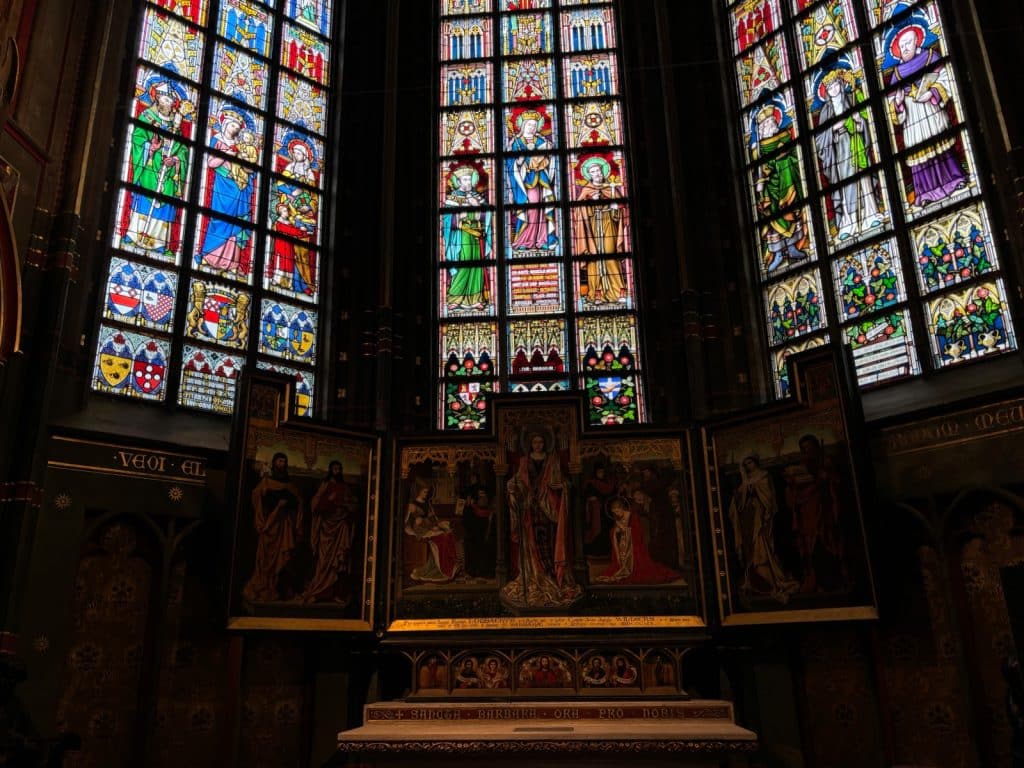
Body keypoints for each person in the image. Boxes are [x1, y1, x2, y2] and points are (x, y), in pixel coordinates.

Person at [887, 24, 966, 208]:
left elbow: (946, 79)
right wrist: (898, 103)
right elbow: (890, 103)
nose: (905, 47)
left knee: (941, 146)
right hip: (912, 119)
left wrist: (932, 94)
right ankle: (925, 192)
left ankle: (954, 180)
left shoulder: (931, 57)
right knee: (918, 154)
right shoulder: (897, 74)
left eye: (909, 43)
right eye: (902, 45)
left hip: (930, 111)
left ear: (917, 42)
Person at [502, 431, 581, 607]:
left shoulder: (552, 460)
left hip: (549, 509)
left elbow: (562, 481)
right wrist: (512, 488)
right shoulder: (524, 461)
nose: (538, 445)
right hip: (530, 508)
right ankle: (535, 574)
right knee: (532, 543)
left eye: (541, 442)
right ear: (530, 444)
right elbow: (517, 481)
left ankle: (551, 573)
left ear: (545, 444)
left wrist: (562, 486)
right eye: (535, 442)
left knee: (550, 542)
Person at [813, 68, 884, 242]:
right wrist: (834, 128)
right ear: (827, 92)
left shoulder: (850, 100)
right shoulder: (825, 111)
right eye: (830, 88)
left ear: (841, 84)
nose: (834, 89)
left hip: (855, 144)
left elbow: (865, 123)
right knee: (846, 186)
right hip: (839, 152)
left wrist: (859, 121)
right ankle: (849, 223)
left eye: (836, 85)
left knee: (863, 179)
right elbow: (819, 140)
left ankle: (870, 215)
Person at [124, 79, 190, 258]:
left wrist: (175, 159)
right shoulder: (146, 118)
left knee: (166, 202)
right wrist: (150, 148)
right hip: (149, 169)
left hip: (168, 175)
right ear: (157, 99)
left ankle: (160, 244)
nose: (167, 103)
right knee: (144, 197)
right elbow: (137, 139)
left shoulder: (175, 127)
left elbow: (183, 150)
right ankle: (134, 235)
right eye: (164, 99)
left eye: (170, 101)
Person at [728, 455, 799, 602]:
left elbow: (768, 497)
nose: (748, 466)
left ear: (755, 462)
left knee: (763, 549)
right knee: (752, 551)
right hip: (748, 521)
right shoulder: (745, 480)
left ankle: (773, 582)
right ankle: (758, 583)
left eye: (750, 462)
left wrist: (764, 510)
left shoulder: (763, 476)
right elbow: (737, 503)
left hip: (760, 520)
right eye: (745, 464)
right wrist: (740, 493)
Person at [197, 107, 257, 276]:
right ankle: (209, 257)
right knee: (219, 220)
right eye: (232, 126)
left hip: (239, 189)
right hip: (223, 187)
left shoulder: (242, 147)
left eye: (237, 128)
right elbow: (211, 162)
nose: (235, 130)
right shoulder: (217, 140)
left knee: (237, 225)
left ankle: (232, 263)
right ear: (224, 125)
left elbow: (250, 169)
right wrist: (226, 154)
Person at [752, 104, 809, 272]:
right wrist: (761, 181)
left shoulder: (784, 137)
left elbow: (793, 155)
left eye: (770, 123)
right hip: (771, 189)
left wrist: (782, 159)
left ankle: (792, 248)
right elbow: (761, 168)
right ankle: (777, 254)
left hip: (786, 181)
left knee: (789, 215)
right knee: (772, 220)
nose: (768, 126)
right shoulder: (760, 149)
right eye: (765, 125)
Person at [785, 435, 845, 593]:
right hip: (806, 515)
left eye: (810, 449)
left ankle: (832, 581)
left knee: (827, 543)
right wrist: (792, 486)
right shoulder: (800, 469)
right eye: (804, 450)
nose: (807, 452)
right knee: (808, 548)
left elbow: (836, 485)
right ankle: (812, 580)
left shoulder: (825, 463)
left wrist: (827, 478)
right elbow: (793, 497)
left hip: (823, 513)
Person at [243, 453, 304, 603]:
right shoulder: (266, 483)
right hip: (270, 525)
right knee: (265, 559)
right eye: (279, 461)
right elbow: (257, 497)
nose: (282, 464)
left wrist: (287, 505)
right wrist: (268, 500)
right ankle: (264, 586)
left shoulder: (290, 485)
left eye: (284, 461)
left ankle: (279, 589)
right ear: (274, 463)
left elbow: (299, 502)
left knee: (282, 559)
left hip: (284, 526)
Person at [301, 461, 359, 604]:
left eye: (339, 468)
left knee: (340, 561)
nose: (337, 471)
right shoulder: (325, 485)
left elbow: (353, 505)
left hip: (341, 527)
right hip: (327, 528)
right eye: (334, 468)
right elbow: (315, 505)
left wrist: (347, 506)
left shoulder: (345, 487)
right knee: (324, 561)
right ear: (330, 470)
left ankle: (336, 594)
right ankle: (319, 592)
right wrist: (328, 500)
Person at [571, 157, 626, 304]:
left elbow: (622, 209)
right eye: (593, 171)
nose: (597, 173)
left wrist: (616, 208)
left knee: (610, 256)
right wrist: (590, 202)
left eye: (599, 170)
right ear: (589, 175)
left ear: (603, 172)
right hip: (592, 228)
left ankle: (617, 291)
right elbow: (577, 212)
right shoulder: (586, 190)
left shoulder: (611, 188)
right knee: (594, 260)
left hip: (609, 225)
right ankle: (596, 293)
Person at [595, 497, 682, 584]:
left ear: (622, 508)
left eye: (617, 511)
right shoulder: (618, 519)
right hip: (622, 549)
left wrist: (624, 530)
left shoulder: (633, 517)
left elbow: (636, 534)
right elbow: (615, 532)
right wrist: (616, 531)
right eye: (614, 512)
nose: (616, 514)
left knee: (644, 572)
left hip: (634, 550)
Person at [506, 111, 555, 251]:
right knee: (531, 209)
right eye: (529, 125)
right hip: (525, 182)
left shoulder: (541, 141)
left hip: (541, 180)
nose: (531, 128)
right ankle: (525, 240)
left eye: (534, 125)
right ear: (523, 125)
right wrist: (519, 161)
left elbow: (550, 157)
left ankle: (542, 239)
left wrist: (547, 153)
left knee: (542, 208)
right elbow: (511, 164)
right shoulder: (516, 142)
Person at [404, 484, 462, 583]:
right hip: (421, 529)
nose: (426, 494)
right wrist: (429, 526)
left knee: (448, 534)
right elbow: (413, 521)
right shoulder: (412, 504)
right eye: (424, 492)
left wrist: (437, 525)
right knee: (442, 537)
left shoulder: (427, 503)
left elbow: (433, 518)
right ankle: (444, 569)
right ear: (418, 491)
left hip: (429, 526)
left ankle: (450, 566)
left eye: (427, 492)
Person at [462, 487, 495, 579]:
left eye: (484, 496)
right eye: (480, 496)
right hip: (473, 536)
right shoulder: (471, 508)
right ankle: (472, 572)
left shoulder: (490, 510)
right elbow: (466, 523)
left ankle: (484, 572)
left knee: (485, 553)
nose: (483, 498)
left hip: (484, 536)